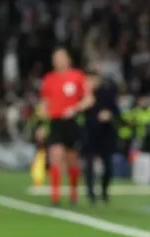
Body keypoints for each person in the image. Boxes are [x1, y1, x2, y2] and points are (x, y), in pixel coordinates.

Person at [39, 48, 95, 207]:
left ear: (68, 59)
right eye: (55, 58)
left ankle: (73, 194)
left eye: (61, 57)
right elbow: (45, 103)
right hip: (55, 121)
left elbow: (89, 99)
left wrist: (75, 109)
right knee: (55, 156)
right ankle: (55, 196)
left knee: (72, 160)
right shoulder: (49, 79)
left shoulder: (77, 77)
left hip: (72, 122)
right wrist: (43, 123)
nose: (58, 61)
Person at [82, 70, 120, 204]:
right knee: (88, 164)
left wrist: (108, 115)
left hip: (105, 134)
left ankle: (104, 191)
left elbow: (116, 112)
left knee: (107, 165)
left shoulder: (107, 94)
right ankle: (90, 192)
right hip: (89, 133)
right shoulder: (83, 96)